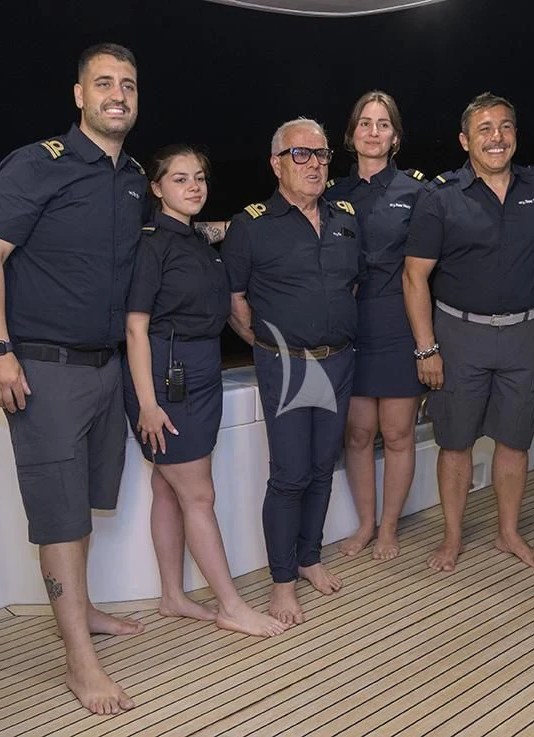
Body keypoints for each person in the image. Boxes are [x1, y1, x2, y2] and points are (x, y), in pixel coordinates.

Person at [0, 43, 146, 715]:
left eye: (127, 84)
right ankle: (79, 660)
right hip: (43, 370)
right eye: (104, 83)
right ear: (79, 95)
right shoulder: (34, 165)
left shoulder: (130, 178)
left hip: (105, 371)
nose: (117, 94)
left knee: (82, 506)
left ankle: (86, 611)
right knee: (60, 519)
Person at [403, 91, 534, 573]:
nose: (496, 137)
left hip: (525, 336)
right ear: (465, 140)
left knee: (515, 440)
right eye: (484, 129)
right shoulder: (441, 197)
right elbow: (414, 275)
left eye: (504, 127)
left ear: (515, 135)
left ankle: (507, 533)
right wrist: (427, 349)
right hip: (459, 337)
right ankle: (453, 537)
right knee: (455, 442)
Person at [123, 144, 287, 637]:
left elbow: (228, 228)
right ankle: (231, 604)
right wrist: (148, 403)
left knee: (166, 488)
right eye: (179, 179)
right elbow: (135, 329)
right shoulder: (151, 245)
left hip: (198, 366)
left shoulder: (195, 237)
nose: (193, 186)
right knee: (198, 494)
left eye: (199, 177)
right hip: (166, 374)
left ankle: (172, 596)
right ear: (156, 188)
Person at [221, 118, 363, 625]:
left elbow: (350, 287)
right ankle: (282, 583)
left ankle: (309, 559)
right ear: (276, 163)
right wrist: (269, 344)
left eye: (322, 155)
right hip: (286, 364)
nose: (315, 164)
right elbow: (235, 301)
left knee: (323, 468)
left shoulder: (345, 217)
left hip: (340, 360)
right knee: (289, 475)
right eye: (301, 155)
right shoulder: (251, 225)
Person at [326, 90, 427, 561]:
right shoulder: (330, 194)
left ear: (395, 136)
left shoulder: (417, 191)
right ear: (350, 135)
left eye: (382, 124)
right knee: (359, 434)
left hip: (398, 320)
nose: (372, 132)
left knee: (399, 432)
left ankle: (389, 528)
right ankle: (366, 523)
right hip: (349, 326)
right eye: (364, 123)